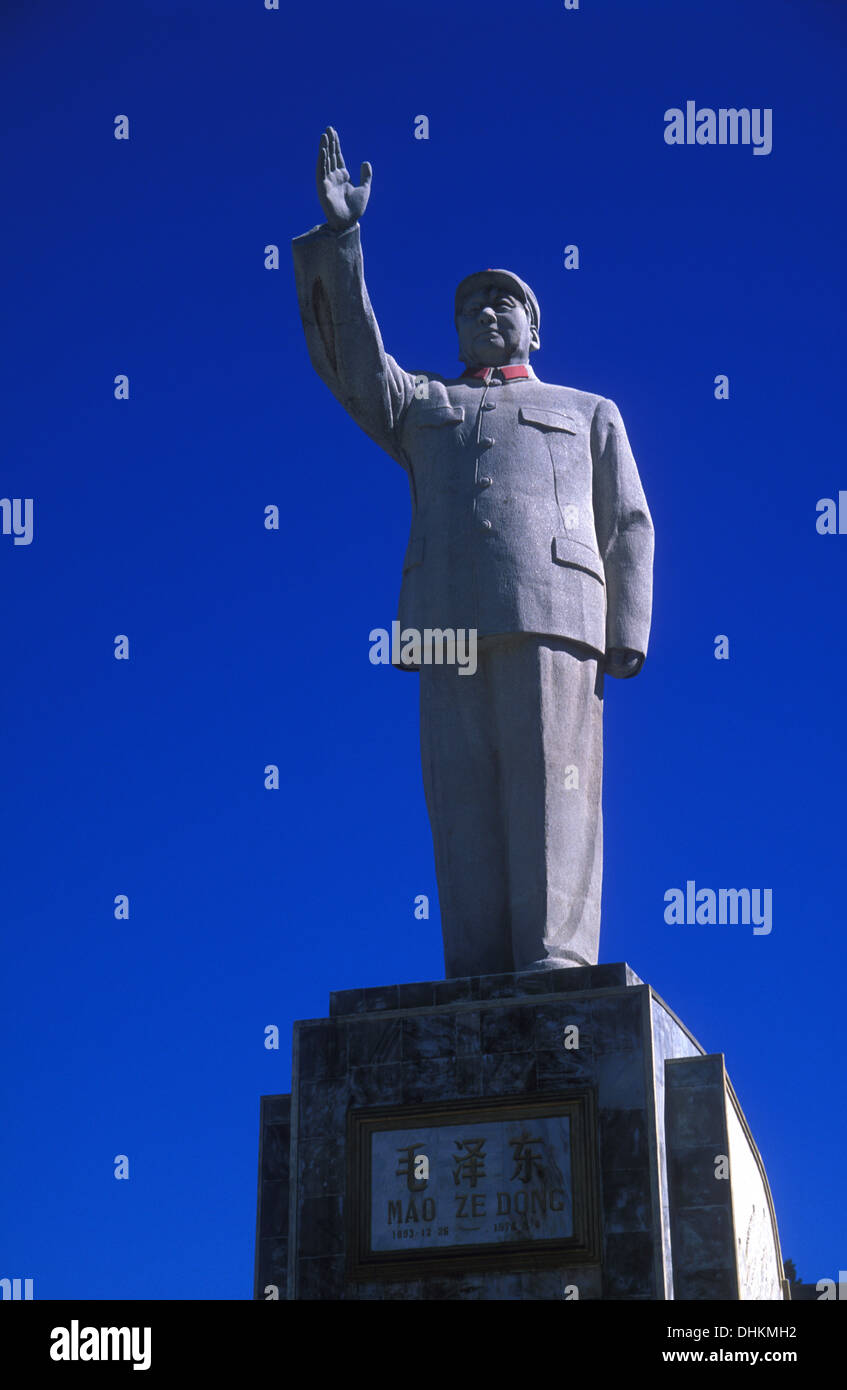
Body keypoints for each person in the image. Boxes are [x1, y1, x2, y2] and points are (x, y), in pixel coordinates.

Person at [292, 128, 654, 978]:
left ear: (533, 324)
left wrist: (625, 625)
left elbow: (628, 519)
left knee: (550, 784)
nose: (487, 313)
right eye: (470, 306)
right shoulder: (423, 404)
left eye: (505, 303)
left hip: (554, 611)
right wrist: (343, 242)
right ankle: (480, 962)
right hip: (444, 619)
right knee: (461, 795)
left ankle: (556, 956)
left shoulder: (587, 408)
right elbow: (348, 364)